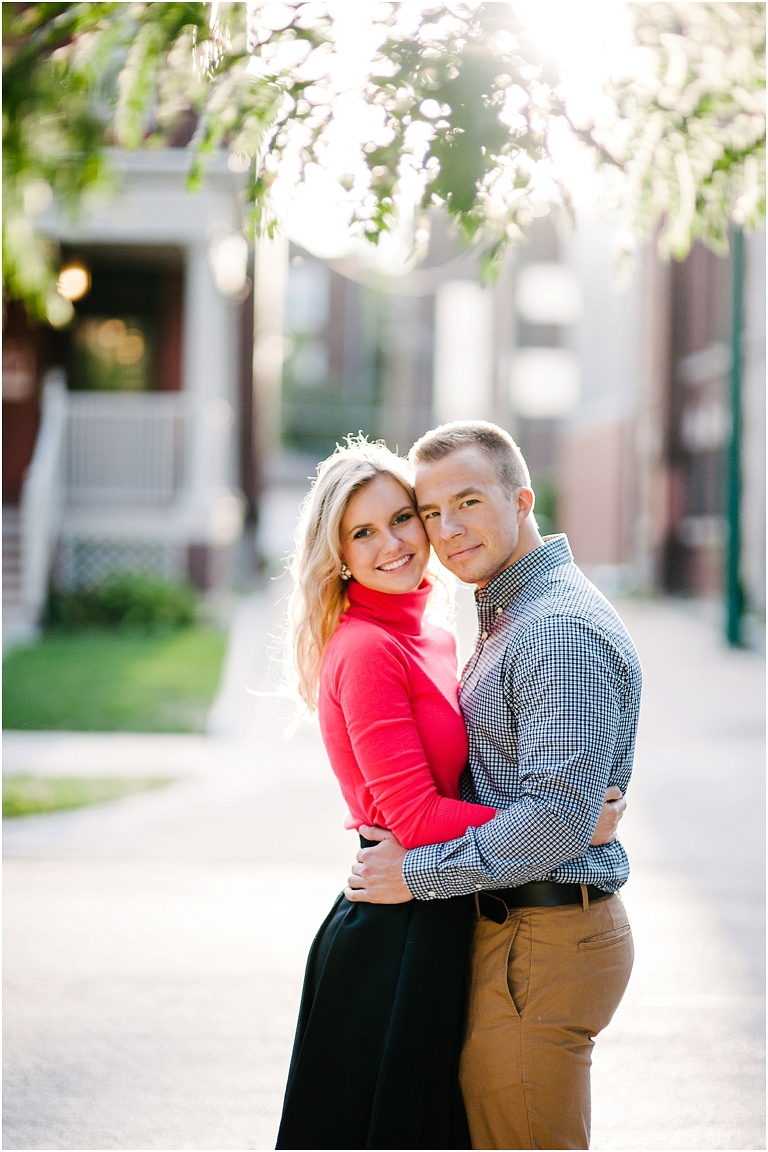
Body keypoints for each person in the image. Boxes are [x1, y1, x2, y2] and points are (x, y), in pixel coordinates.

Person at [275, 437, 623, 1151]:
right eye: (363, 533)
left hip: (447, 909)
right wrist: (567, 823)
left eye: (403, 518)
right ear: (337, 555)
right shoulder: (368, 648)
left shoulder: (439, 633)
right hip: (397, 923)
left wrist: (558, 820)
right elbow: (415, 813)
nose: (396, 542)